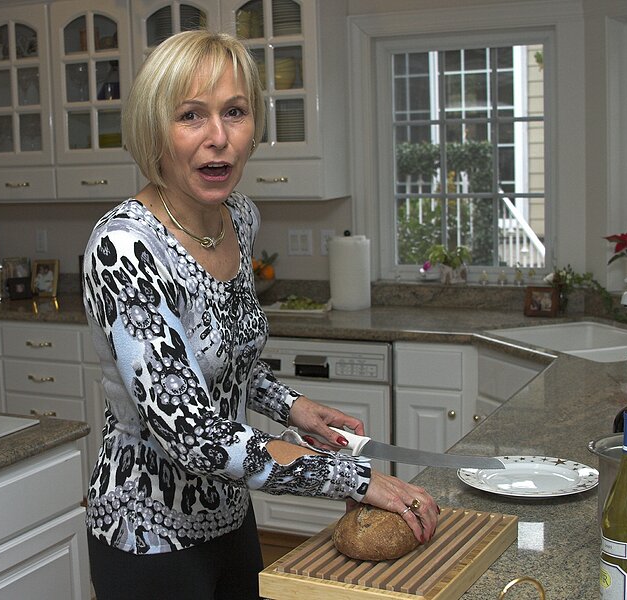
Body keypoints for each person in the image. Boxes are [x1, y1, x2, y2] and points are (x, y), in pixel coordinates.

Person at [81, 30, 439, 600]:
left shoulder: (238, 217)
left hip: (230, 516)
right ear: (154, 130)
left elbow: (223, 356)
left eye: (235, 112)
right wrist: (351, 478)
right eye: (191, 116)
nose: (219, 137)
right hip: (146, 533)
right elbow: (192, 432)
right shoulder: (124, 247)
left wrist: (293, 406)